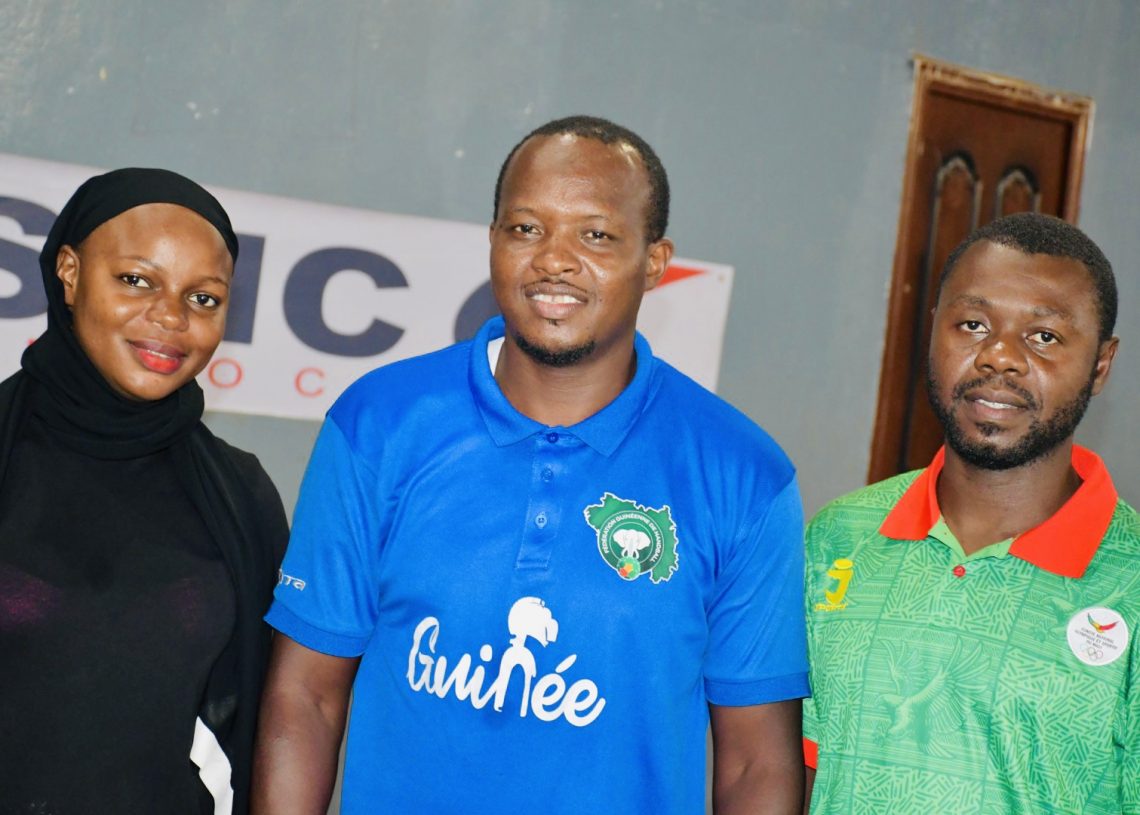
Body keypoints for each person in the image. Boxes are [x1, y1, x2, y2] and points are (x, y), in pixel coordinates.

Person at [254, 115, 808, 814]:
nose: (555, 259)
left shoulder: (745, 476)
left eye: (597, 234)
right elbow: (305, 696)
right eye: (525, 228)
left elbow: (756, 760)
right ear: (492, 243)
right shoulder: (378, 423)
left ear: (657, 261)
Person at [802, 212, 1137, 814]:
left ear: (1101, 366)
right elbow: (797, 771)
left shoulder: (1131, 579)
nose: (999, 357)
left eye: (1044, 337)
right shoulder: (838, 537)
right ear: (933, 332)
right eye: (974, 324)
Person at [0, 168, 289, 814]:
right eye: (136, 280)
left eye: (204, 298)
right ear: (69, 273)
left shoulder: (240, 496)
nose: (170, 317)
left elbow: (267, 720)